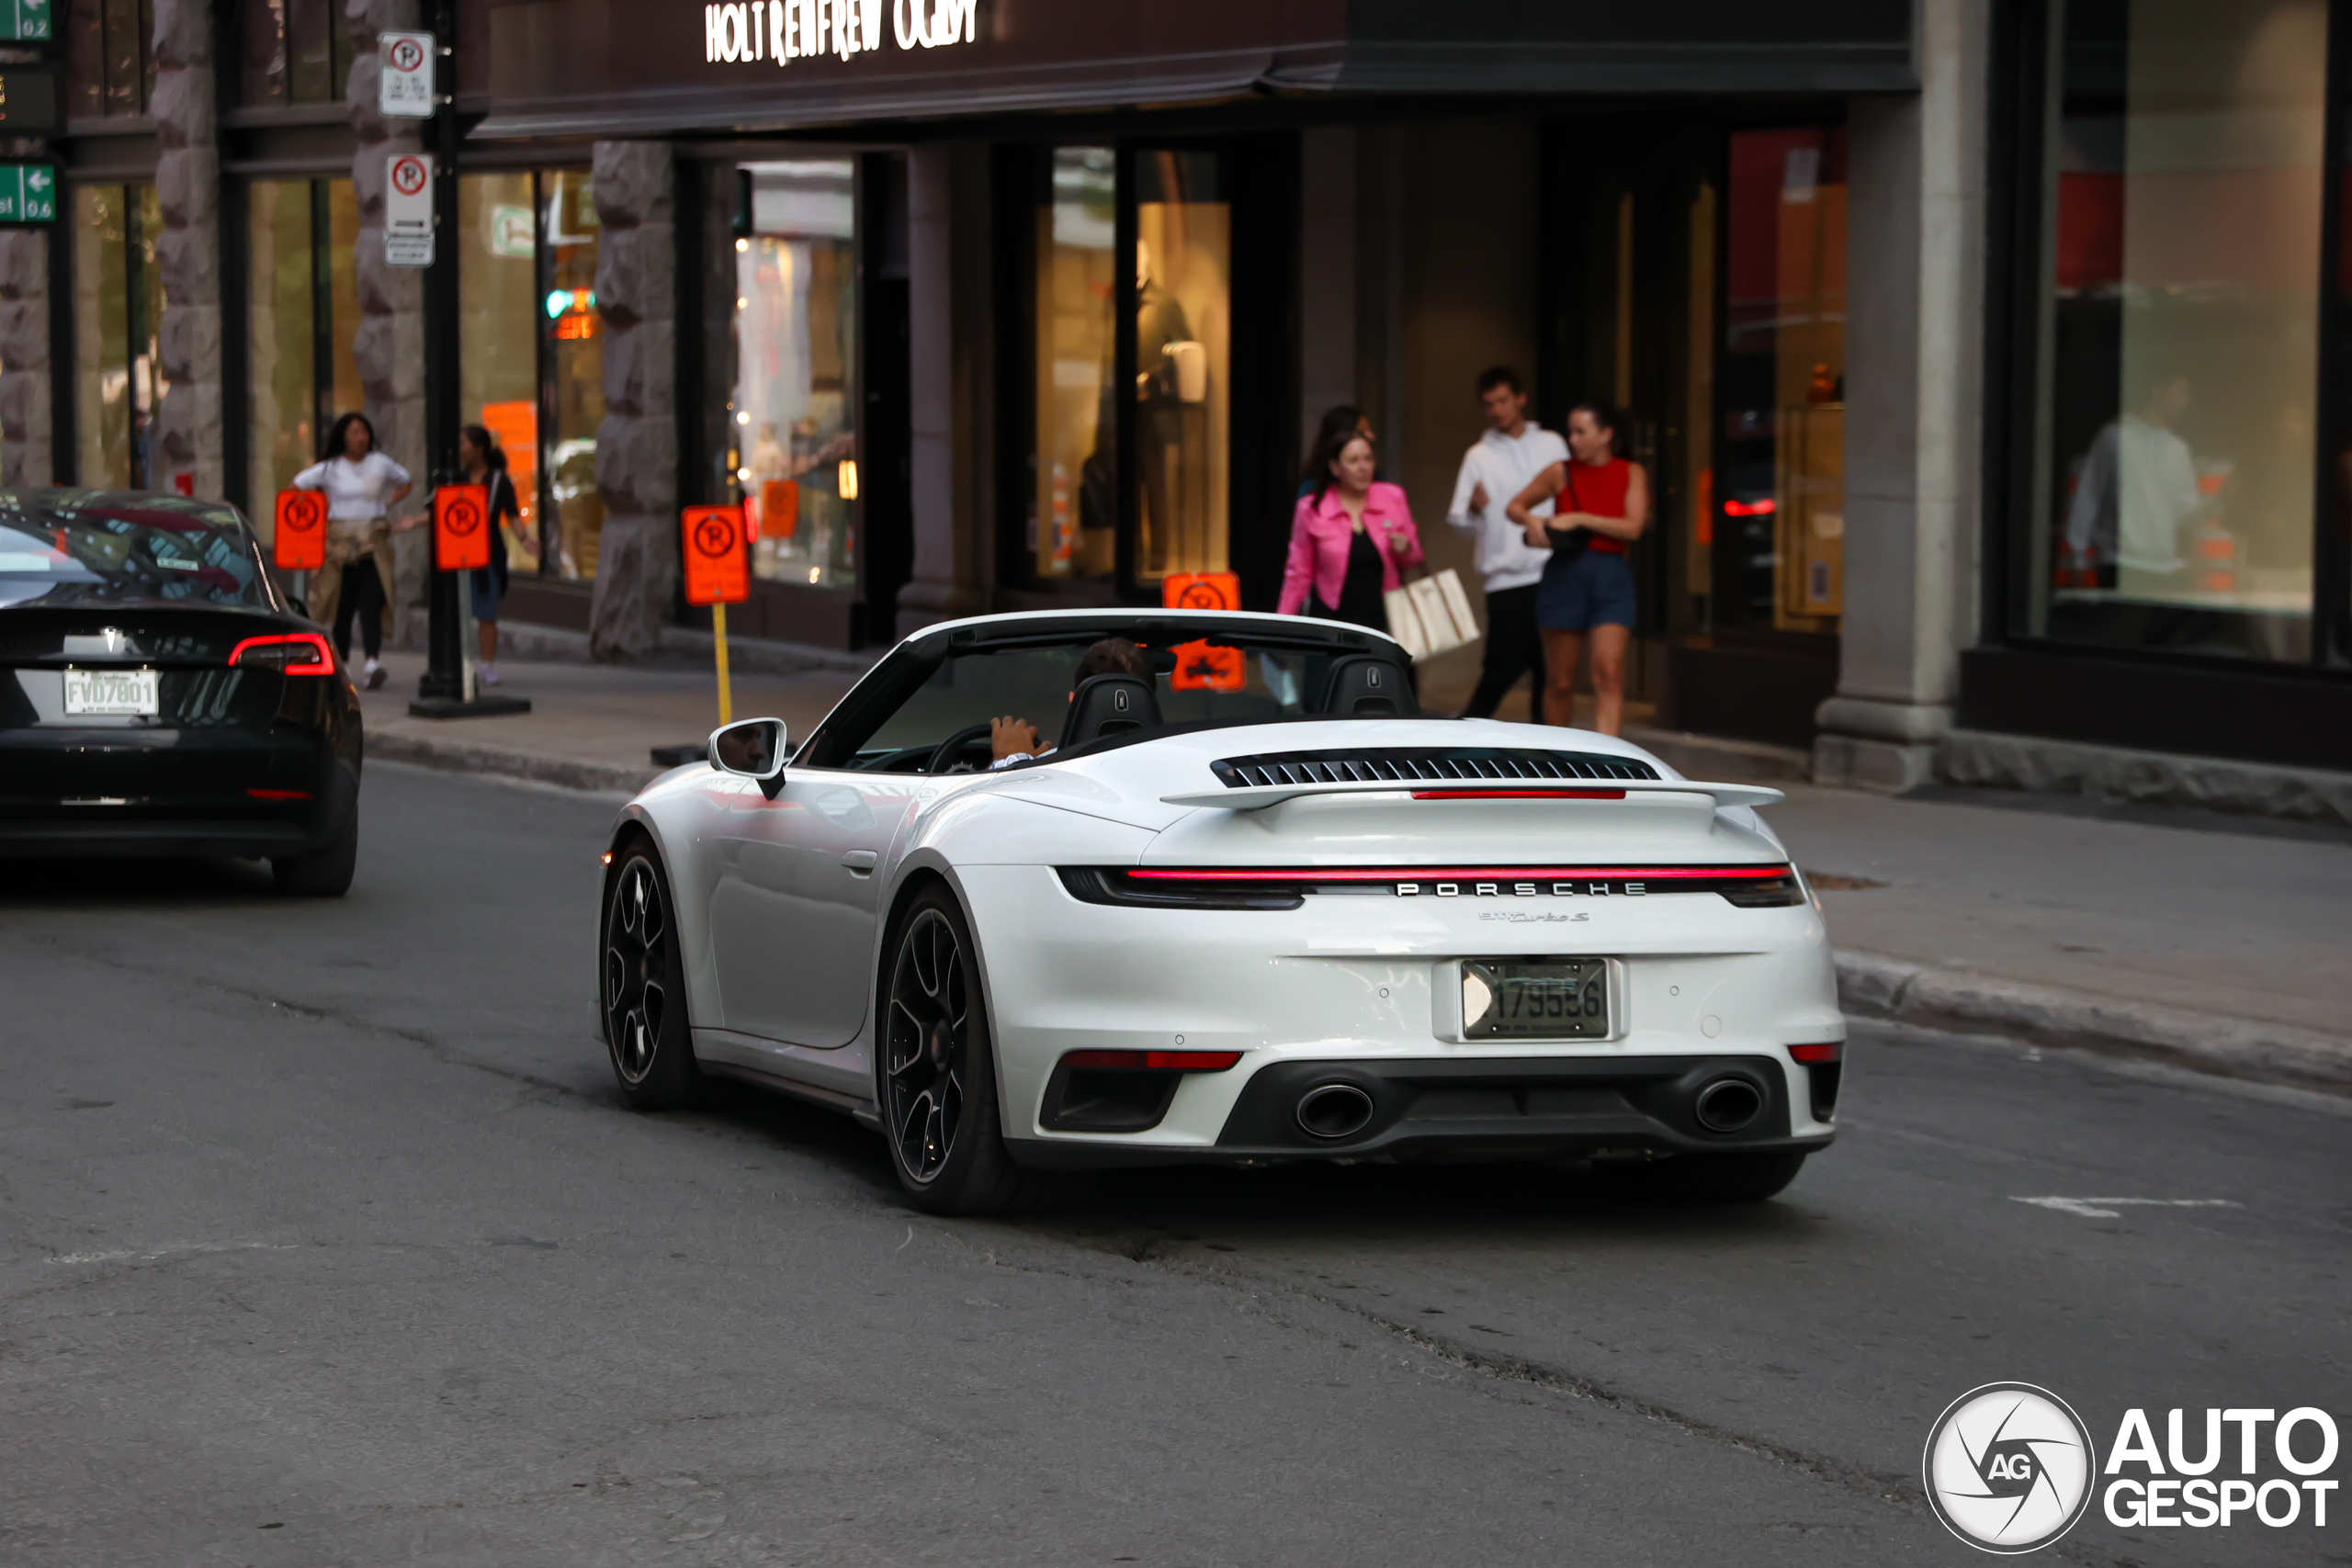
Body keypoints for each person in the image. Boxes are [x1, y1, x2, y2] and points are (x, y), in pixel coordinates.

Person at [1505, 400, 1647, 735]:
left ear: (1605, 435)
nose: (1573, 439)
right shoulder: (1560, 471)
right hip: (1565, 576)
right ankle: (1559, 760)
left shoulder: (1630, 471)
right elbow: (1515, 506)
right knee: (1560, 680)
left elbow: (1633, 527)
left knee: (1609, 672)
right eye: (1571, 432)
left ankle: (1608, 759)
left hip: (1611, 577)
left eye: (1581, 432)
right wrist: (1533, 522)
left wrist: (1581, 518)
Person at [1445, 367, 1565, 718]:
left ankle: (1547, 758)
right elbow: (1458, 521)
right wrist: (1473, 510)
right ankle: (1463, 736)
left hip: (1552, 571)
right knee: (1501, 668)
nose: (1497, 410)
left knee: (1550, 672)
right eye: (1489, 404)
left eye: (1503, 400)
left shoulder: (1553, 445)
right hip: (1505, 578)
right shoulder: (1478, 456)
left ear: (1520, 398)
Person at [293, 412, 416, 689]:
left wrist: (388, 503)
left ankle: (373, 662)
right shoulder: (329, 468)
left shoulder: (380, 463)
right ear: (343, 437)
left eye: (364, 432)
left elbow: (406, 481)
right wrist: (320, 513)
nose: (361, 438)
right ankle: (343, 663)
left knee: (372, 602)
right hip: (339, 545)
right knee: (342, 604)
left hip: (372, 543)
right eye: (355, 432)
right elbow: (298, 485)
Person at [2062, 370, 2202, 592]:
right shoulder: (2115, 438)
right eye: (2180, 393)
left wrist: (2219, 504)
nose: (2185, 402)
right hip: (2120, 564)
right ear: (2157, 391)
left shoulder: (2179, 449)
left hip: (2164, 569)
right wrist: (2077, 557)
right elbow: (2088, 496)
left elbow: (2185, 512)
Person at [401, 425, 520, 686]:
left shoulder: (499, 480)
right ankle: (460, 662)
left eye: (464, 443)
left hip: (487, 553)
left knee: (486, 613)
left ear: (480, 448)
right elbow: (438, 509)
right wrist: (414, 522)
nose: (460, 448)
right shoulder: (454, 477)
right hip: (454, 552)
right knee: (455, 611)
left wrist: (526, 540)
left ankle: (487, 665)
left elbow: (512, 516)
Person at [1278, 425, 1423, 631]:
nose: (1363, 467)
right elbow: (1299, 571)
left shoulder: (1392, 497)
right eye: (1353, 461)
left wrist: (1406, 548)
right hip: (1330, 617)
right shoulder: (1312, 508)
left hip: (1384, 617)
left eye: (1368, 459)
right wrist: (1283, 622)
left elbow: (1414, 559)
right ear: (1335, 467)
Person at [989, 637, 1157, 766]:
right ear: (1149, 703)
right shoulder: (1178, 769)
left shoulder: (1035, 772)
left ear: (1074, 701)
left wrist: (1006, 759)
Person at [1298, 405, 1376, 499]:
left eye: (1368, 459)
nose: (1371, 436)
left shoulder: (1386, 489)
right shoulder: (1312, 493)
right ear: (1335, 466)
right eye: (1361, 431)